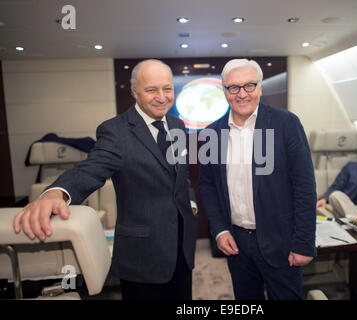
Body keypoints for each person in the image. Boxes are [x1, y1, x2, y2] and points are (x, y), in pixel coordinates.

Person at [13, 59, 198, 300]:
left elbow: (180, 177)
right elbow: (91, 169)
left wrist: (190, 203)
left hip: (182, 247)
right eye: (151, 90)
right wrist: (55, 193)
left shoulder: (177, 124)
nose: (162, 97)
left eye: (167, 88)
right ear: (134, 92)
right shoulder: (116, 131)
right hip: (143, 254)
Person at [198, 59, 317, 300]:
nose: (242, 94)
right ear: (224, 91)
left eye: (249, 86)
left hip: (281, 240)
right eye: (233, 87)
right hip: (236, 243)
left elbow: (304, 186)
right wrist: (220, 230)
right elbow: (207, 185)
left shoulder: (286, 124)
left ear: (260, 88)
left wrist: (303, 243)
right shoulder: (212, 133)